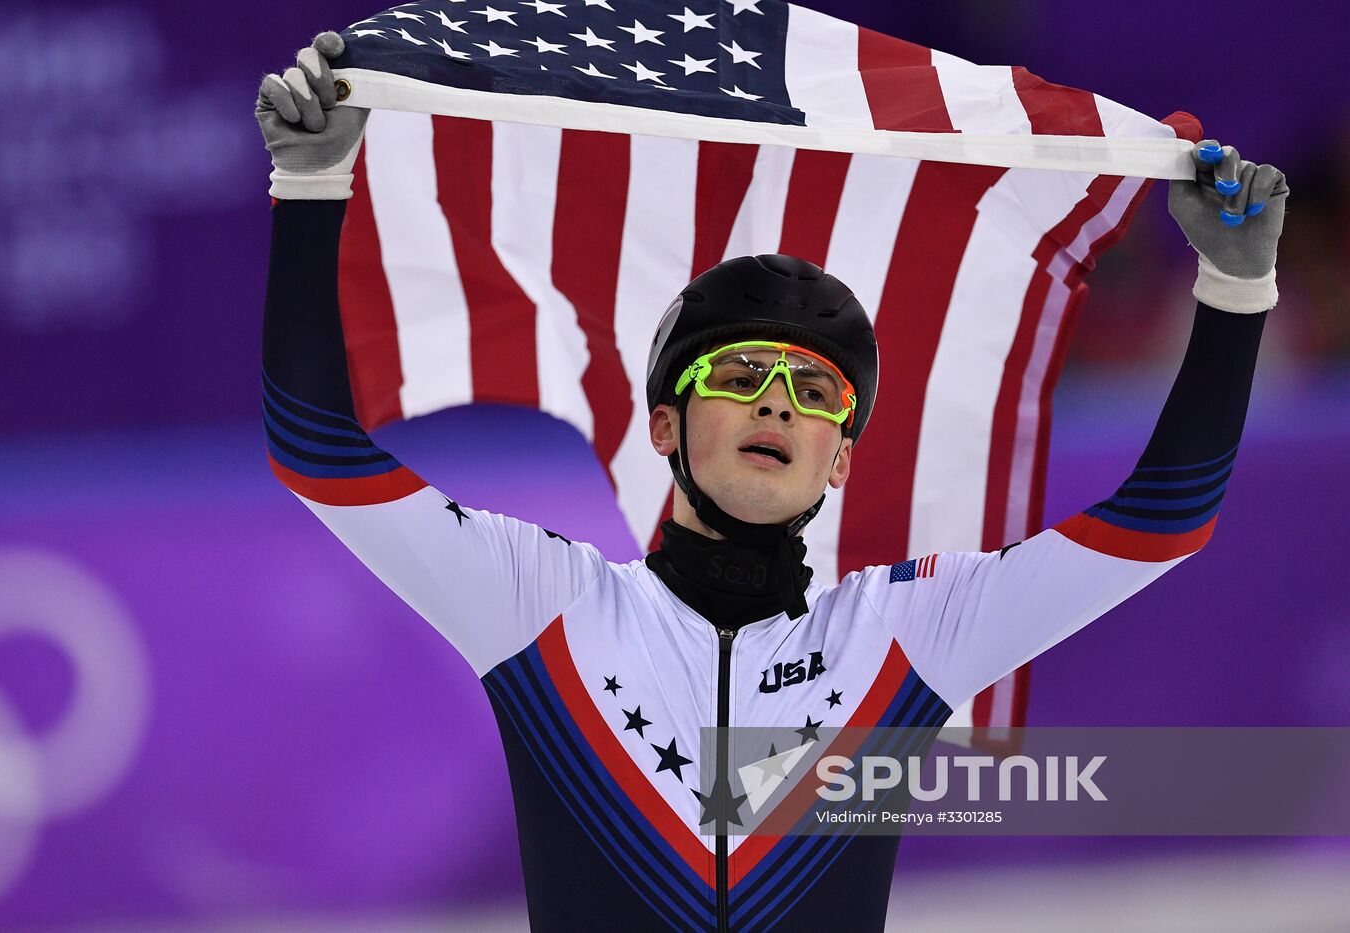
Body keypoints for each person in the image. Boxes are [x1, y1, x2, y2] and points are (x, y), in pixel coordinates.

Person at [256, 33, 1287, 933]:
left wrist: (1236, 288)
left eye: (814, 392)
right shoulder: (546, 604)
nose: (778, 405)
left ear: (839, 458)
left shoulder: (900, 633)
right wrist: (310, 185)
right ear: (663, 423)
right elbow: (317, 449)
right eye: (740, 376)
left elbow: (1160, 520)